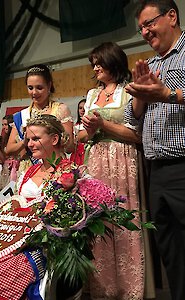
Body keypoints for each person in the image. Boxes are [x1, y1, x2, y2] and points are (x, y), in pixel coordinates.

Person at [0, 114, 79, 300]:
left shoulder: (70, 173)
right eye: (28, 139)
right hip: (12, 242)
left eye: (36, 139)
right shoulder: (28, 171)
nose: (30, 144)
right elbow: (13, 208)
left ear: (54, 139)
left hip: (42, 246)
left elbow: (70, 220)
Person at [125, 1, 185, 299]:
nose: (146, 32)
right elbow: (129, 118)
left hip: (183, 166)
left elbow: (171, 96)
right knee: (171, 251)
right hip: (156, 171)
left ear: (171, 16)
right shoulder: (152, 65)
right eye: (141, 29)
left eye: (149, 23)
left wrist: (168, 94)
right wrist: (141, 96)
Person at [78, 42, 146, 299]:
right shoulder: (92, 95)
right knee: (98, 220)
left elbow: (136, 134)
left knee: (124, 218)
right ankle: (101, 286)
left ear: (113, 62)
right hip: (95, 159)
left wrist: (102, 124)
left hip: (122, 158)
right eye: (93, 63)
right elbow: (83, 135)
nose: (95, 67)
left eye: (100, 62)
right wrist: (91, 130)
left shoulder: (129, 91)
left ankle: (129, 287)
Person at [6, 64, 74, 170]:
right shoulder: (21, 116)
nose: (34, 92)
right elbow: (9, 149)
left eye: (39, 88)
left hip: (55, 167)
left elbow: (69, 146)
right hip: (29, 168)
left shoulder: (60, 110)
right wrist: (24, 143)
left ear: (49, 86)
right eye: (30, 88)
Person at [0, 114, 21, 192]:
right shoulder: (4, 138)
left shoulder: (17, 137)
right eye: (3, 125)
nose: (4, 127)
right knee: (3, 194)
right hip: (6, 169)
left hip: (16, 168)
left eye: (6, 124)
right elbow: (4, 158)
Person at [70, 99, 86, 165]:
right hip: (76, 155)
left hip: (86, 154)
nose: (82, 110)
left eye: (84, 108)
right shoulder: (74, 126)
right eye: (80, 108)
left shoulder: (92, 126)